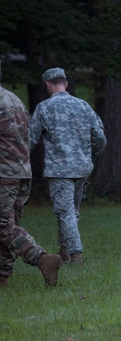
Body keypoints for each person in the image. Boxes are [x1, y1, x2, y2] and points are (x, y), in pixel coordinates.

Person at [28, 67, 106, 264]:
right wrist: (90, 156)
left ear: (47, 85)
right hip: (82, 167)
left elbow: (29, 139)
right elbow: (100, 138)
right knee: (72, 211)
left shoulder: (44, 108)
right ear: (66, 83)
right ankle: (64, 250)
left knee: (65, 212)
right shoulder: (83, 106)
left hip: (59, 169)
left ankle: (75, 254)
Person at [0, 60, 62, 287]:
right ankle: (3, 277)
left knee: (3, 225)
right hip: (21, 171)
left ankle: (41, 258)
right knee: (8, 223)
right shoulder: (14, 99)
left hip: (4, 173)